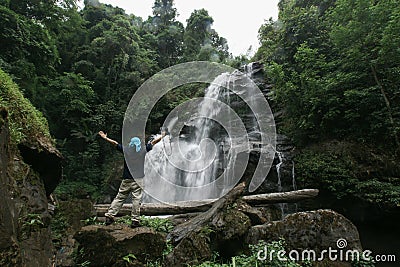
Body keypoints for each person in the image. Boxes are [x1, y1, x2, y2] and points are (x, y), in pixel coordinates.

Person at [98, 130, 166, 227]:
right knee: (136, 199)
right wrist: (163, 136)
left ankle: (109, 216)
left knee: (119, 198)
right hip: (138, 179)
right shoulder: (142, 150)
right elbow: (153, 142)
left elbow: (115, 143)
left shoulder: (126, 150)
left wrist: (105, 138)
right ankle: (135, 220)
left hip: (126, 179)